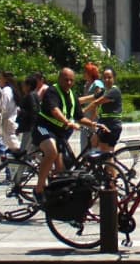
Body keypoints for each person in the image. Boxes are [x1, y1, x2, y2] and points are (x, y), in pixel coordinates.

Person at [32, 67, 98, 202]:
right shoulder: (52, 91)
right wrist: (68, 122)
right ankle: (38, 189)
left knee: (62, 170)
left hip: (60, 134)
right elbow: (55, 111)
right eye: (66, 79)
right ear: (59, 79)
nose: (68, 82)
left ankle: (54, 193)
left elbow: (80, 117)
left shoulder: (72, 95)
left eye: (71, 80)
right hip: (44, 128)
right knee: (51, 152)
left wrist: (95, 124)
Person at [90, 67, 124, 151]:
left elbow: (96, 102)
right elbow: (90, 98)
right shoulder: (105, 91)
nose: (106, 80)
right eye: (104, 77)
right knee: (96, 144)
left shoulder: (114, 91)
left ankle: (109, 164)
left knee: (107, 154)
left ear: (114, 78)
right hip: (105, 123)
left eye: (109, 77)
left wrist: (82, 112)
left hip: (111, 125)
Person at [78, 62, 105, 153]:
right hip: (86, 116)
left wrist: (93, 116)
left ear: (90, 73)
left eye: (85, 71)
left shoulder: (97, 83)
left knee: (94, 142)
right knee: (84, 142)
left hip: (94, 117)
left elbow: (98, 98)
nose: (83, 73)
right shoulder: (86, 84)